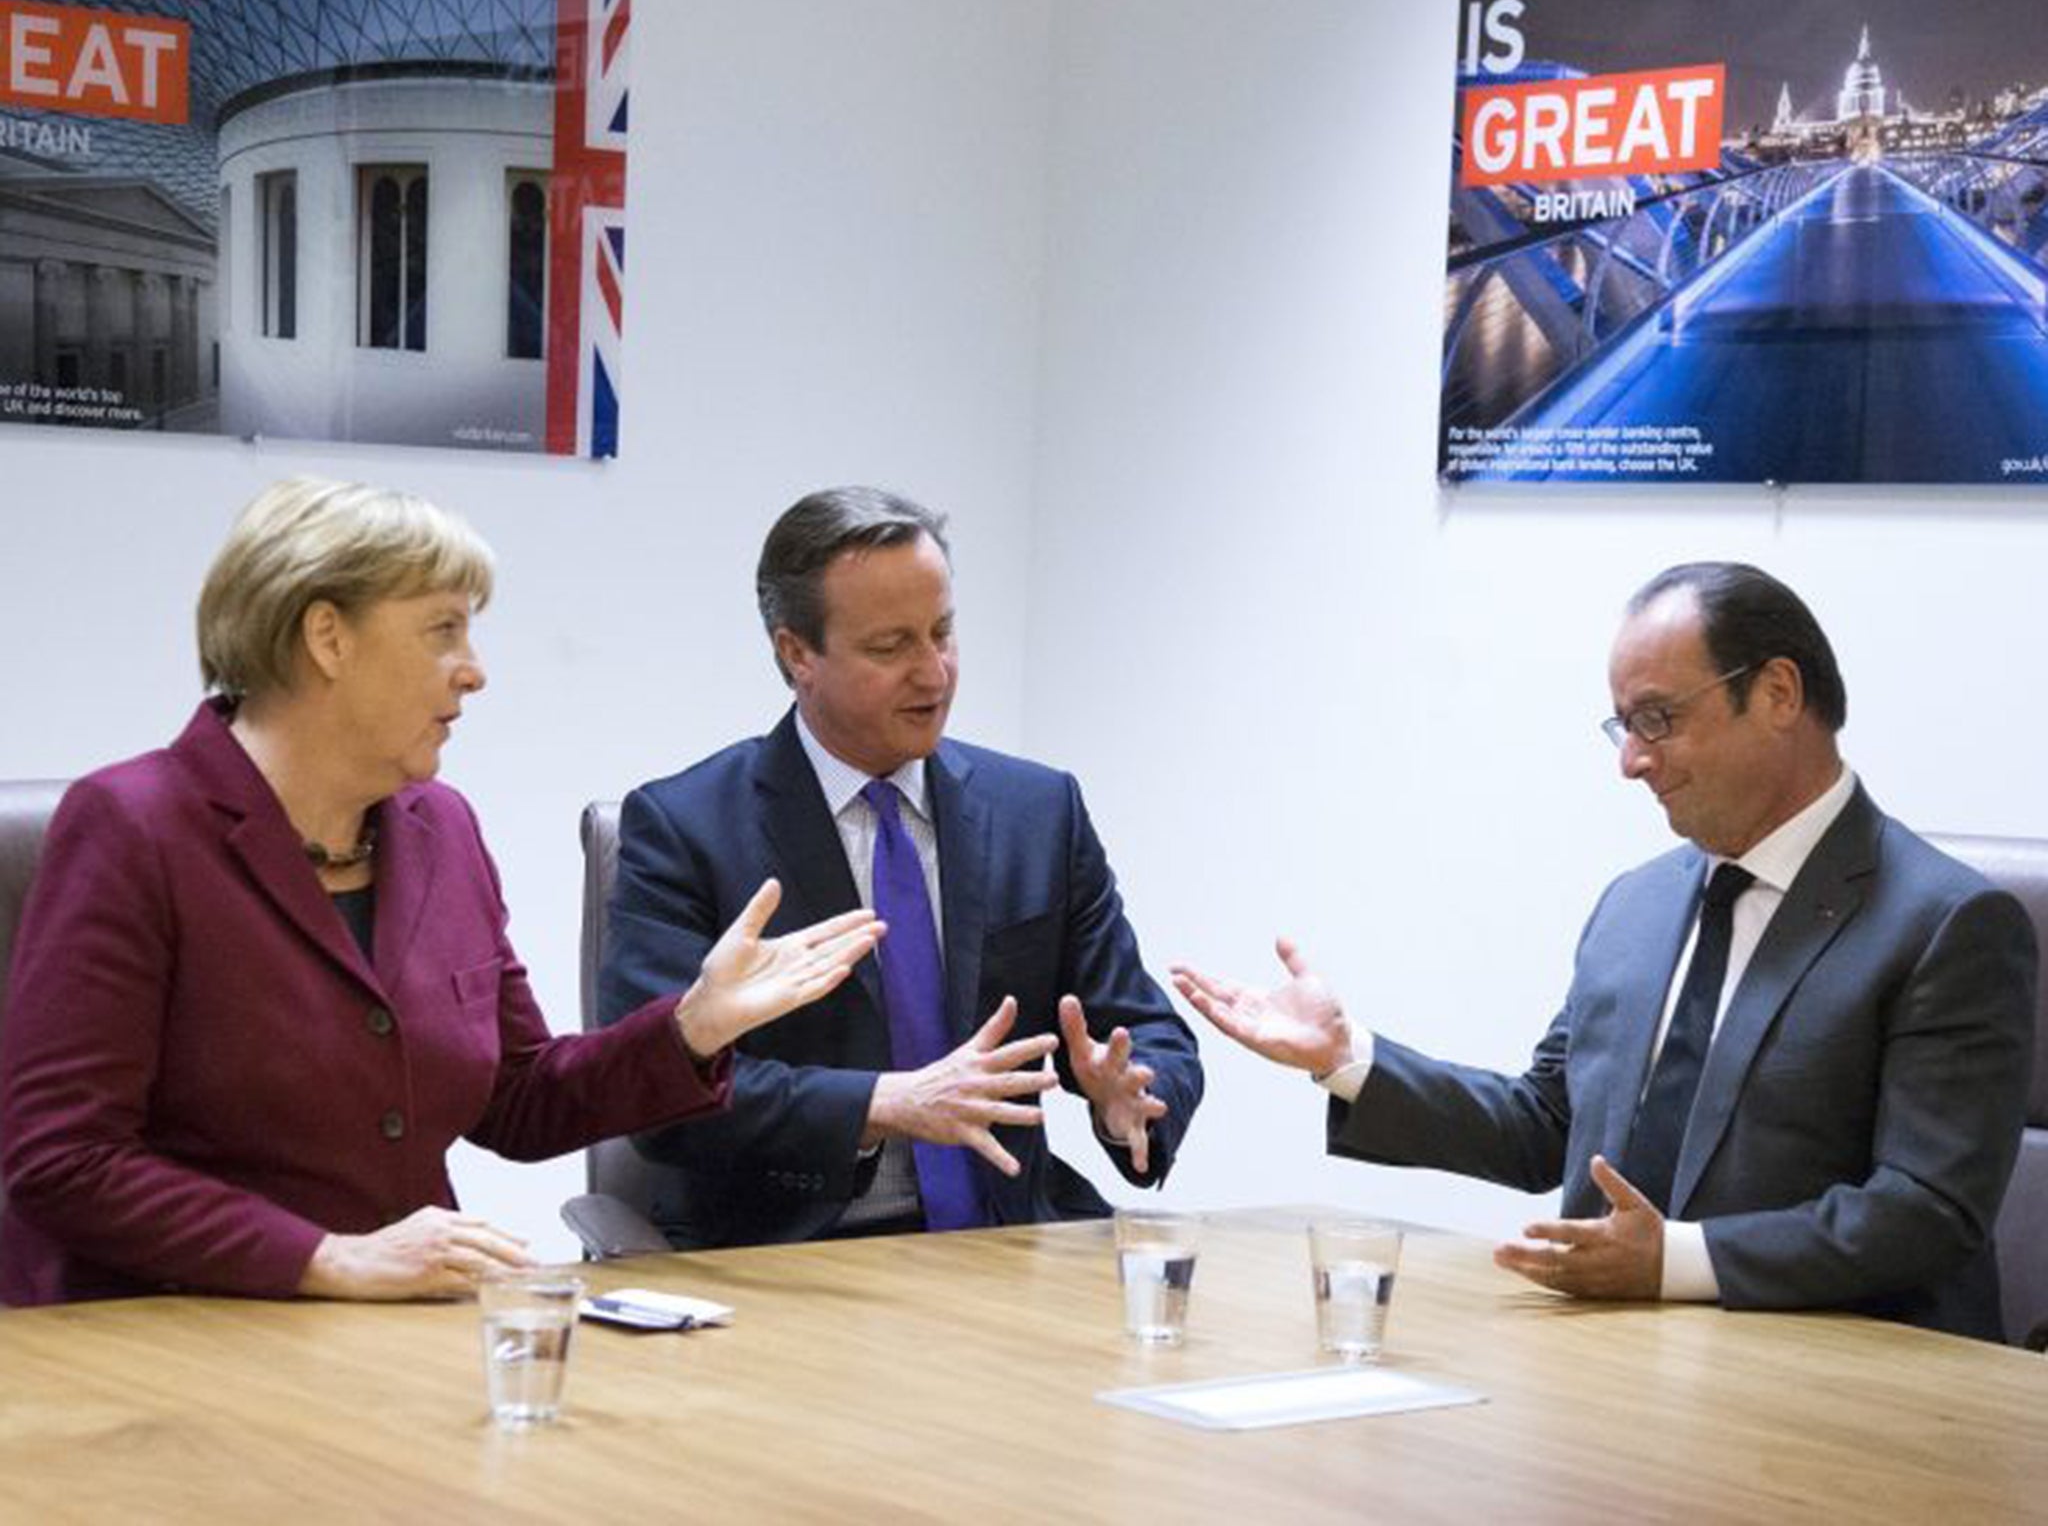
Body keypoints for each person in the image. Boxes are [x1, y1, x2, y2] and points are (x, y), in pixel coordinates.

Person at [0, 478, 883, 1305]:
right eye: (443, 631)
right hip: (162, 1339)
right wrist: (326, 1258)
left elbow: (520, 1099)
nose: (474, 670)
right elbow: (62, 1160)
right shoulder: (132, 826)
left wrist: (693, 1027)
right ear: (327, 638)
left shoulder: (441, 827)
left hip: (392, 1337)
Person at [1175, 562, 2036, 1341]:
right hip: (1617, 1375)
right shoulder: (1638, 906)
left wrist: (1675, 1262)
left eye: (1658, 719)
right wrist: (1348, 1059)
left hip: (1856, 1402)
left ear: (1778, 693)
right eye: (1621, 727)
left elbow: (1925, 1213)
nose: (1631, 762)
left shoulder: (1948, 923)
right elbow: (1545, 1129)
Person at [600, 486, 1202, 1245]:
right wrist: (881, 1104)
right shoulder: (687, 830)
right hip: (794, 1261)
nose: (935, 673)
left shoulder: (1039, 811)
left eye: (943, 633)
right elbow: (654, 1092)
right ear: (797, 653)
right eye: (891, 647)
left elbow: (1143, 1025)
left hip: (1006, 1241)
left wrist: (1137, 1096)